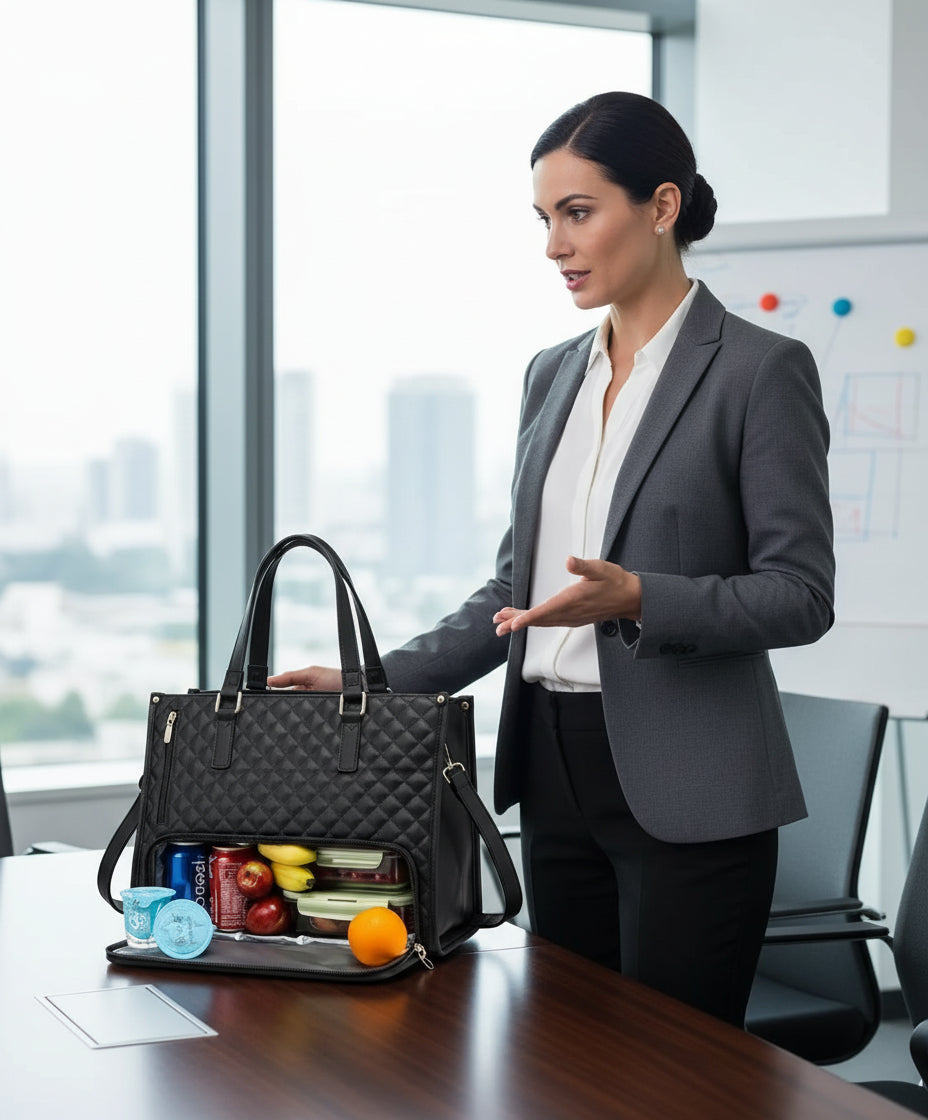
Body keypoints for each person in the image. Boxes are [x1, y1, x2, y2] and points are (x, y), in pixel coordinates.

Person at [269, 92, 835, 1028]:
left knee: (673, 1076)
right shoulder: (552, 372)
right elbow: (513, 590)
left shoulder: (759, 371)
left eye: (578, 214)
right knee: (567, 1059)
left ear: (661, 207)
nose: (554, 245)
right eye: (544, 219)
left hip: (691, 782)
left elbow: (800, 596)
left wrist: (641, 597)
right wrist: (369, 679)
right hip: (556, 767)